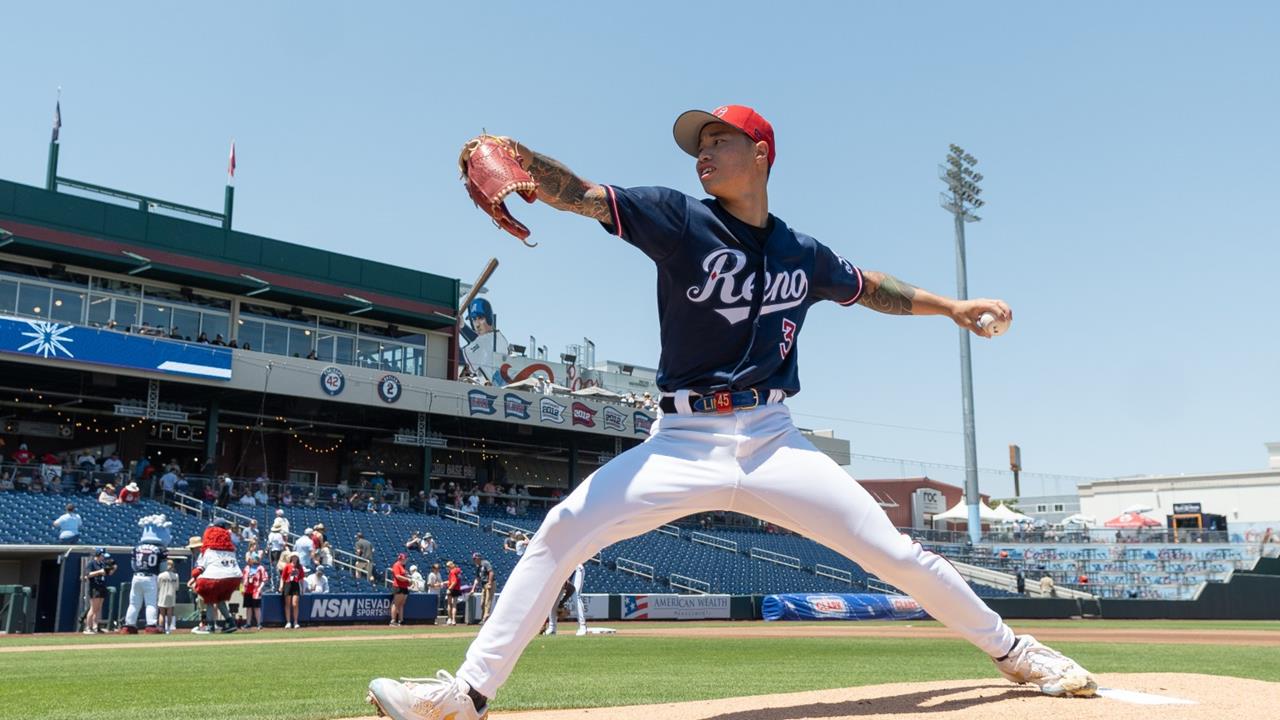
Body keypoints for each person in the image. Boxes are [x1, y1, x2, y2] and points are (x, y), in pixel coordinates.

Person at [366, 108, 1094, 720]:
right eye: (698, 145)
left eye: (718, 141)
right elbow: (582, 193)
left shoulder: (801, 253)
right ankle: (466, 694)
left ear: (761, 153)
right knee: (561, 531)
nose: (703, 154)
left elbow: (871, 286)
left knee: (897, 554)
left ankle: (1016, 653)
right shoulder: (679, 219)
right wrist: (527, 164)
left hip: (775, 439)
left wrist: (953, 307)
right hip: (683, 438)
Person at [122, 514, 170, 634]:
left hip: (137, 576)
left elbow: (133, 564)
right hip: (150, 577)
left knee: (133, 603)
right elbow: (163, 567)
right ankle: (151, 626)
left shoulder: (137, 547)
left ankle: (129, 625)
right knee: (151, 603)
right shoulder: (160, 550)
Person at [544, 564, 587, 637]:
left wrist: (561, 603)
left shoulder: (556, 575)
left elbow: (571, 589)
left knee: (576, 596)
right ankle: (552, 628)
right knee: (552, 601)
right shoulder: (548, 578)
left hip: (576, 569)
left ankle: (582, 626)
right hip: (565, 571)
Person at [82, 548, 113, 634]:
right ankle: (88, 627)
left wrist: (111, 569)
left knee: (99, 608)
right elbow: (87, 575)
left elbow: (108, 573)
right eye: (102, 555)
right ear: (98, 555)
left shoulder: (102, 564)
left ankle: (96, 626)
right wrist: (99, 572)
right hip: (94, 587)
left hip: (101, 586)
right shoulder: (91, 563)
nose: (103, 557)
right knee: (93, 608)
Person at [242, 552, 268, 630]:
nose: (254, 560)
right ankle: (248, 623)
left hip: (256, 590)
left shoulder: (260, 568)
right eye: (253, 559)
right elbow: (243, 579)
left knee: (257, 607)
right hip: (247, 590)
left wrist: (260, 588)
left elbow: (264, 579)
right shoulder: (246, 568)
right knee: (248, 607)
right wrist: (242, 589)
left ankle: (259, 623)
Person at [280, 553, 304, 629]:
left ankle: (296, 621)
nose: (294, 558)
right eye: (293, 557)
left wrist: (303, 588)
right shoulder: (287, 566)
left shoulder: (299, 567)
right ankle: (288, 622)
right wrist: (281, 586)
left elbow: (301, 579)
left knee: (295, 604)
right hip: (288, 584)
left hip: (296, 585)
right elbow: (283, 577)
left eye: (296, 557)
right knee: (287, 604)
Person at [157, 559, 180, 634]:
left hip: (162, 595)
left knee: (162, 613)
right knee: (169, 613)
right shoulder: (176, 576)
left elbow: (158, 586)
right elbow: (177, 587)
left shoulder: (160, 575)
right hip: (171, 595)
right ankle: (168, 629)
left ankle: (161, 628)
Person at [471, 553, 495, 623]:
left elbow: (491, 572)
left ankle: (485, 618)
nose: (474, 560)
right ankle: (484, 618)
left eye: (475, 558)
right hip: (483, 584)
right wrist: (473, 589)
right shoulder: (478, 567)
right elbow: (477, 579)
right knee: (482, 603)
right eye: (473, 559)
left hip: (489, 583)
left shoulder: (485, 563)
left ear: (479, 558)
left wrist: (490, 583)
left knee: (488, 601)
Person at [390, 553, 412, 626]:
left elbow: (403, 575)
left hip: (404, 587)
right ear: (401, 559)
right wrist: (408, 579)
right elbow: (398, 576)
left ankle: (401, 620)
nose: (406, 560)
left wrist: (408, 578)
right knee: (396, 604)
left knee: (402, 604)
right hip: (398, 586)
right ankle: (393, 621)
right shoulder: (396, 565)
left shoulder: (403, 566)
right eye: (405, 559)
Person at [444, 560, 463, 627]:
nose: (447, 567)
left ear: (451, 566)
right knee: (454, 605)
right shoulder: (458, 570)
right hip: (457, 589)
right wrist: (444, 583)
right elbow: (453, 581)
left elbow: (454, 582)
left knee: (449, 604)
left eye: (448, 566)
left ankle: (450, 619)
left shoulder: (452, 572)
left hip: (452, 589)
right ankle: (454, 620)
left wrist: (449, 589)